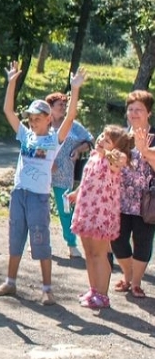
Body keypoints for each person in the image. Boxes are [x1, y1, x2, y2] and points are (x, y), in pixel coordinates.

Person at [0, 63, 87, 306]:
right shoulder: (25, 135)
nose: (33, 122)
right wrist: (12, 81)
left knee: (41, 240)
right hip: (19, 194)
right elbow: (8, 111)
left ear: (48, 118)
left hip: (38, 197)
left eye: (37, 118)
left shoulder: (55, 139)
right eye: (31, 118)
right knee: (15, 238)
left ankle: (47, 289)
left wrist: (75, 89)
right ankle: (10, 282)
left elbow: (71, 115)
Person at [68, 126, 131, 309]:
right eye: (102, 135)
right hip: (86, 211)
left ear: (116, 147)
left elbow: (121, 160)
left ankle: (102, 294)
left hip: (101, 214)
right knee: (89, 253)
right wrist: (77, 192)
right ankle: (93, 289)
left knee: (100, 254)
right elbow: (88, 179)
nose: (101, 139)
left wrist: (110, 151)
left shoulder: (113, 160)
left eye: (107, 139)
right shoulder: (94, 156)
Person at [111, 91, 155, 299]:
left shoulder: (154, 137)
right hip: (121, 199)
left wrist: (145, 151)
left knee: (143, 241)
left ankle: (136, 282)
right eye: (130, 109)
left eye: (139, 109)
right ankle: (128, 275)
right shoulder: (121, 137)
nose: (134, 113)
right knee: (117, 240)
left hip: (147, 201)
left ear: (149, 113)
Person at [46, 91, 94, 258]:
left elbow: (90, 140)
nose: (63, 108)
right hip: (43, 174)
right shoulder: (43, 123)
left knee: (66, 210)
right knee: (40, 209)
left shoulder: (73, 125)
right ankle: (39, 242)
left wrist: (77, 150)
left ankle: (71, 244)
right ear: (50, 107)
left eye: (65, 105)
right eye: (60, 105)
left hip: (65, 174)